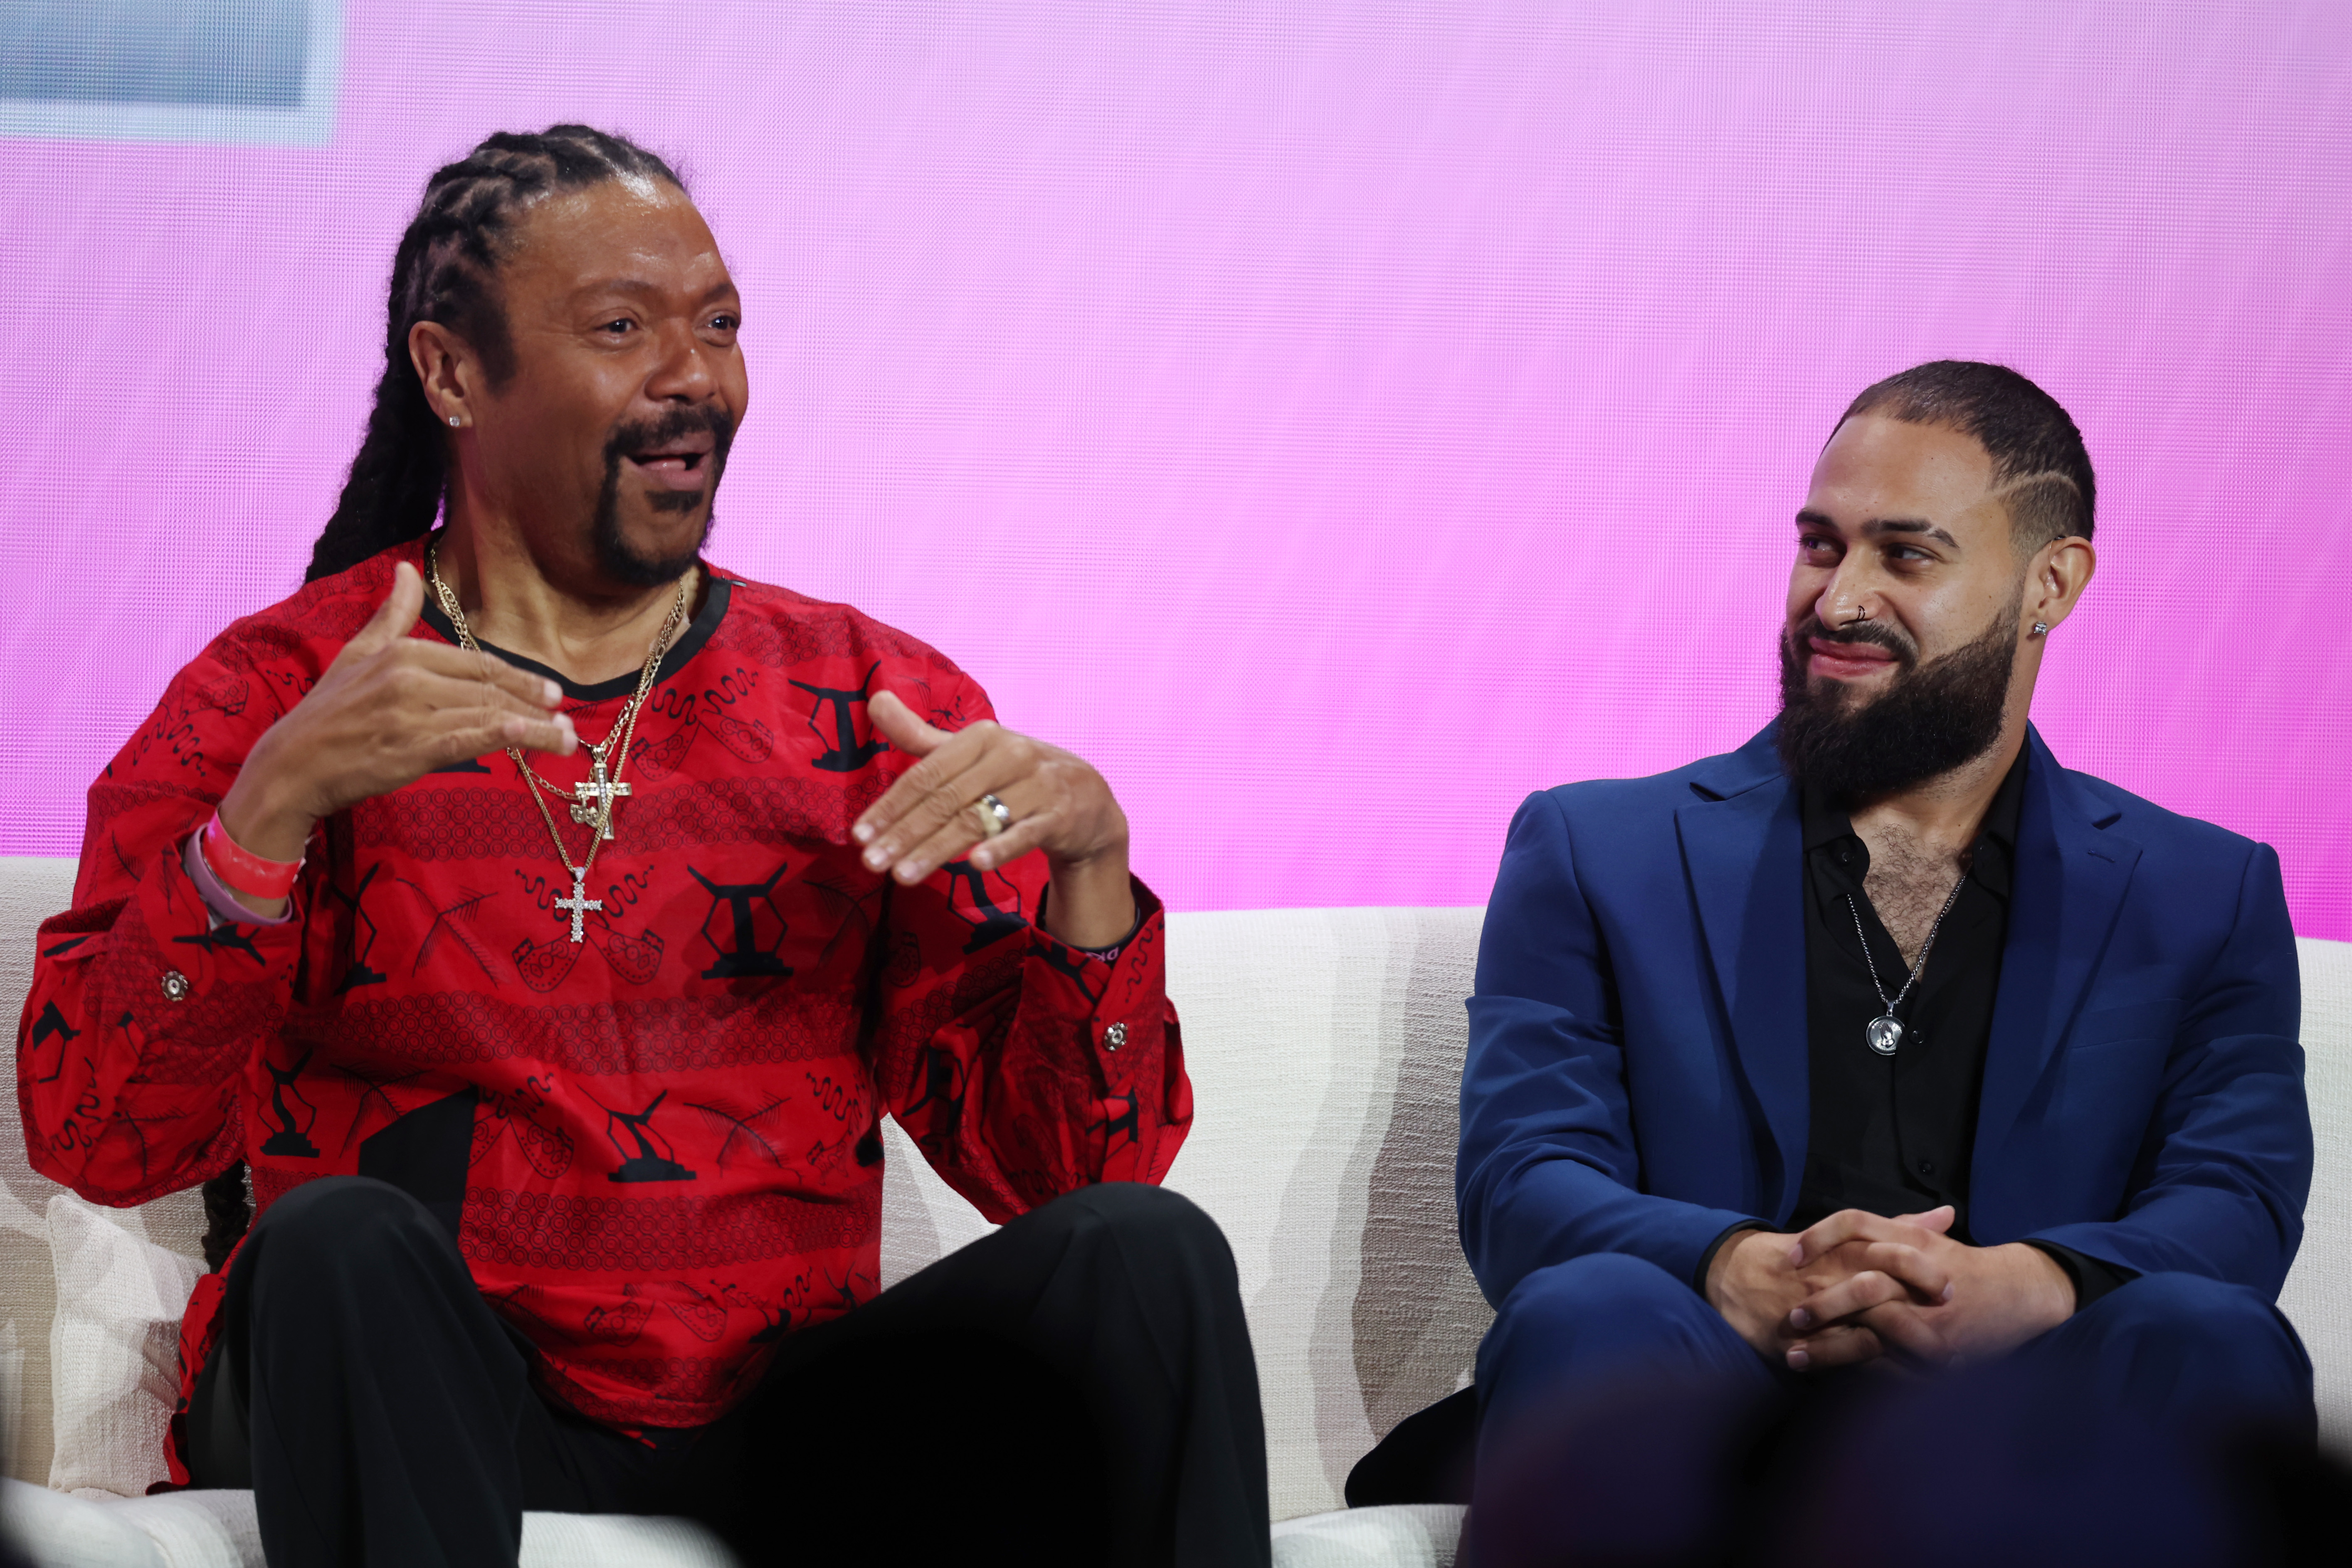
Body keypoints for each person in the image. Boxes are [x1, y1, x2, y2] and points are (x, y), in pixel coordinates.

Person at [17, 126, 1267, 1568]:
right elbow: (101, 1138)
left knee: (1147, 1256)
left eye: (720, 326)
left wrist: (1092, 881)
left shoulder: (862, 699)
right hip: (425, 1385)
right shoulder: (280, 693)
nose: (696, 376)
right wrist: (263, 822)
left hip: (775, 1420)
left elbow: (1068, 1175)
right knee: (338, 1243)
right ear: (452, 373)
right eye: (624, 328)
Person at [1447, 360, 2313, 1554]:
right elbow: (1521, 1178)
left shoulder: (2202, 891)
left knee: (2208, 1336)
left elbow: (2237, 1201)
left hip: (2035, 1412)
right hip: (1709, 1389)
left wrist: (2028, 1286)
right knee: (1584, 1307)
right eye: (1819, 545)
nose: (1838, 598)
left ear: (2047, 585)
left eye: (1904, 555)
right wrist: (1740, 1265)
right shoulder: (1595, 847)